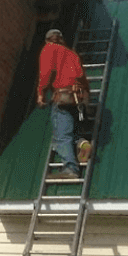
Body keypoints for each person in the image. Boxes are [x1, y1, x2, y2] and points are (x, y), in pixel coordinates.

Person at [37, 28, 90, 178]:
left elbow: (45, 74)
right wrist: (86, 99)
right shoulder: (72, 54)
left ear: (48, 40)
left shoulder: (49, 49)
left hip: (63, 98)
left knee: (61, 136)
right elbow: (82, 77)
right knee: (71, 132)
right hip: (77, 99)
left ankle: (71, 168)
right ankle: (82, 144)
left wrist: (41, 94)